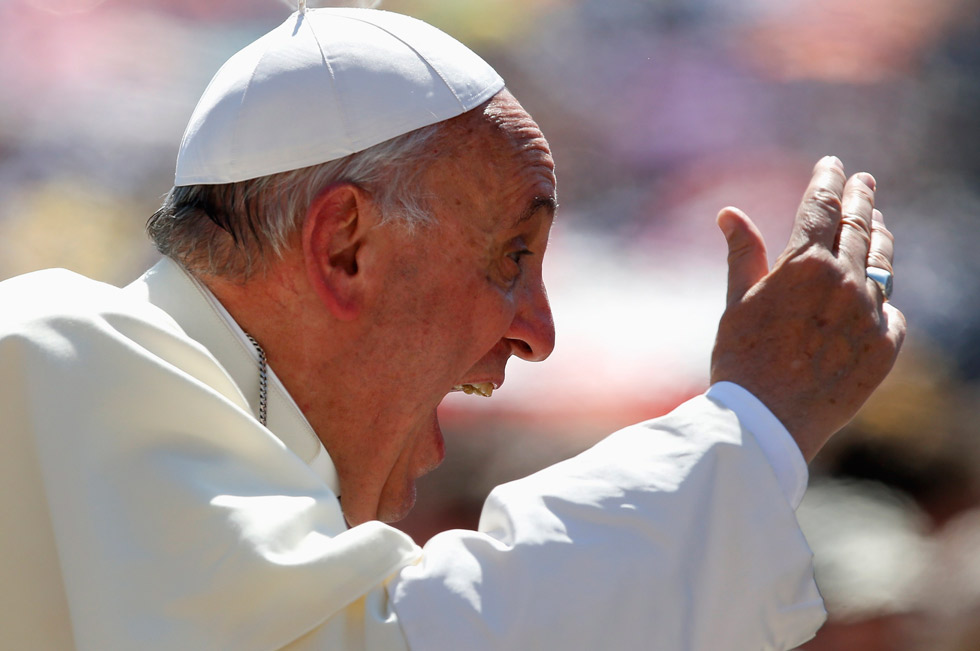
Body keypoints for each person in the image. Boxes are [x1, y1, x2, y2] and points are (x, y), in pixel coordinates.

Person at [0, 5, 904, 650]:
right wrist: (749, 426)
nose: (538, 334)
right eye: (513, 254)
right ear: (345, 246)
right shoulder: (51, 353)